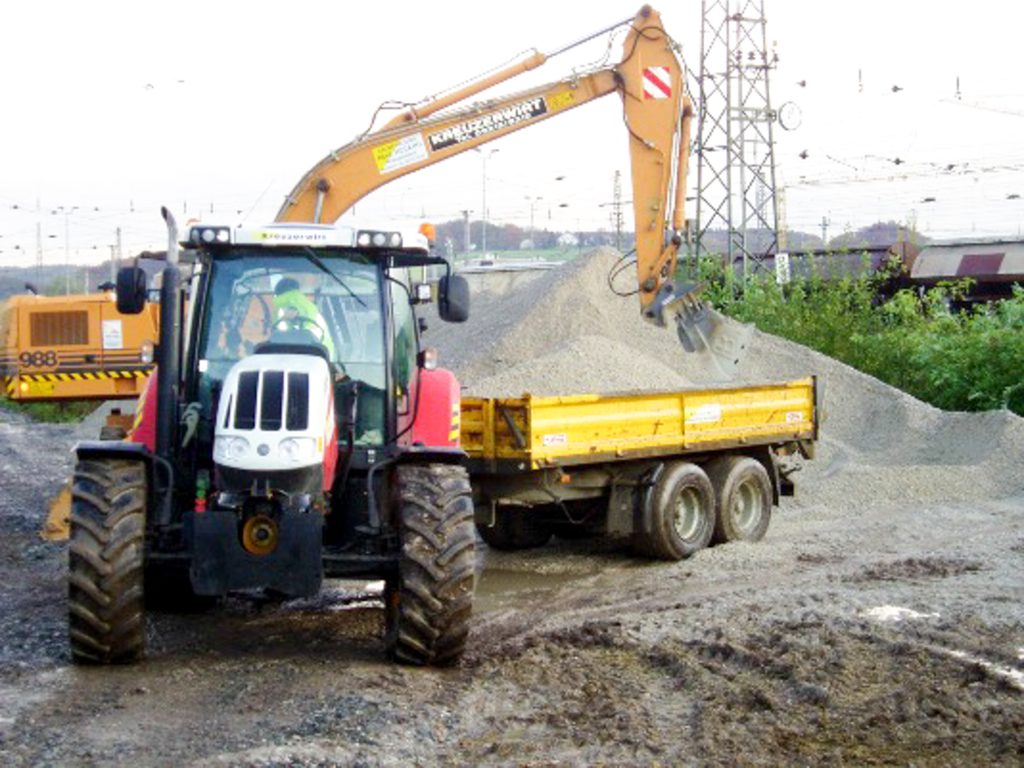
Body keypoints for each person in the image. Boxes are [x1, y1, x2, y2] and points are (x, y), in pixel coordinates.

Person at [271, 277, 336, 359]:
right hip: (323, 355)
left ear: (277, 294)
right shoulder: (310, 307)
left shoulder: (282, 308)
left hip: (297, 357)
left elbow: (276, 336)